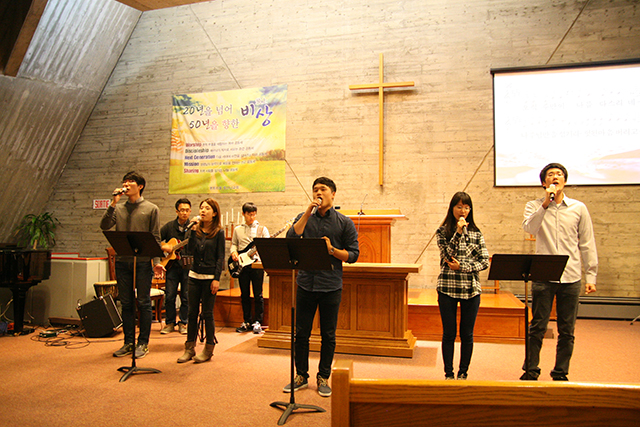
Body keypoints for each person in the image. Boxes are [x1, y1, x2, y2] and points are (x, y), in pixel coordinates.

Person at [282, 177, 359, 397]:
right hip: (306, 284)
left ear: (333, 194)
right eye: (315, 189)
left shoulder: (344, 222)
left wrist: (332, 250)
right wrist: (307, 213)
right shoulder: (304, 217)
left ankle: (323, 377)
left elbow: (353, 255)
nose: (318, 193)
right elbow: (291, 237)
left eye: (323, 189)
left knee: (328, 335)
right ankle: (301, 375)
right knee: (301, 333)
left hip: (330, 285)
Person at [521, 163, 597, 381]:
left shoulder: (578, 208)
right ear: (543, 182)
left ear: (565, 180)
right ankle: (531, 370)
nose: (555, 177)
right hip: (543, 275)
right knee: (537, 326)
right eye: (550, 175)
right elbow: (529, 228)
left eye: (559, 174)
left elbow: (587, 243)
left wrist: (591, 275)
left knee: (567, 329)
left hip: (571, 276)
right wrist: (545, 203)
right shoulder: (533, 206)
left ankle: (561, 372)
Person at [100, 171, 164, 359]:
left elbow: (156, 237)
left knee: (143, 302)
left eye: (130, 182)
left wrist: (157, 262)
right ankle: (128, 342)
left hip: (142, 263)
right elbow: (105, 225)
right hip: (123, 262)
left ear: (140, 186)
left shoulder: (151, 209)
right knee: (126, 303)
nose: (126, 185)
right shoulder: (119, 208)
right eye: (124, 182)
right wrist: (113, 203)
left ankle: (143, 343)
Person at [436, 192, 489, 380]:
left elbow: (484, 261)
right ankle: (449, 373)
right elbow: (447, 255)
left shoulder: (476, 232)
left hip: (471, 289)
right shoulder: (442, 231)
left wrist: (463, 267)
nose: (463, 211)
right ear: (452, 209)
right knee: (449, 333)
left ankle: (463, 372)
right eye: (459, 207)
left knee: (467, 334)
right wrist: (458, 233)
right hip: (447, 287)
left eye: (466, 207)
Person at [177, 198, 225, 364]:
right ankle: (189, 348)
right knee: (191, 313)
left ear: (214, 213)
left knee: (207, 313)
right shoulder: (195, 230)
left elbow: (220, 257)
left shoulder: (218, 232)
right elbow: (189, 250)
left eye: (207, 208)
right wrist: (192, 231)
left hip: (209, 278)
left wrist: (216, 279)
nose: (203, 211)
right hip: (194, 276)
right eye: (201, 208)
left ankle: (209, 349)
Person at [230, 202, 270, 334]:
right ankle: (246, 320)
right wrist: (234, 252)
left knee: (258, 294)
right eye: (249, 214)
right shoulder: (238, 230)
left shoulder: (262, 229)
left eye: (254, 214)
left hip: (256, 265)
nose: (252, 217)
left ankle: (258, 321)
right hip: (242, 265)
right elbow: (234, 244)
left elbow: (267, 246)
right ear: (243, 214)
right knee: (244, 294)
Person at [159, 198, 192, 335]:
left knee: (186, 296)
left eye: (187, 210)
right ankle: (170, 323)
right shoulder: (168, 227)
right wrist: (164, 247)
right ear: (177, 211)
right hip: (171, 266)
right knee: (170, 296)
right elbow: (156, 240)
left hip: (187, 266)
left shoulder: (193, 228)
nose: (184, 213)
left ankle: (183, 322)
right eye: (182, 210)